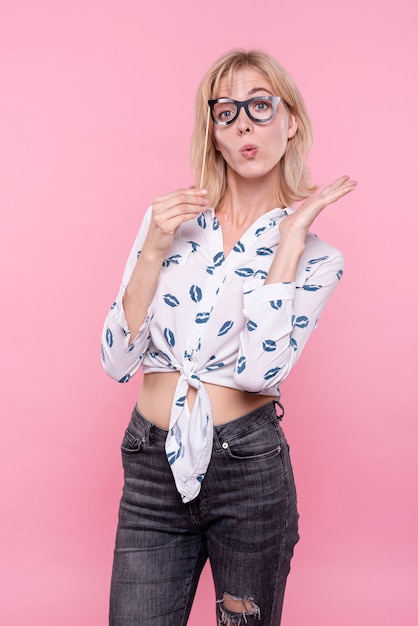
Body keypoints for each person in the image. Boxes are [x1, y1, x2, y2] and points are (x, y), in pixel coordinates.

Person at [101, 48, 356, 626]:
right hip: (149, 467)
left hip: (248, 471)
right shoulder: (169, 222)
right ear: (213, 133)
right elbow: (116, 361)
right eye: (227, 110)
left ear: (291, 124)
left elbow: (258, 375)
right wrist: (154, 250)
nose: (244, 122)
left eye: (261, 106)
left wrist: (288, 246)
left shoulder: (319, 258)